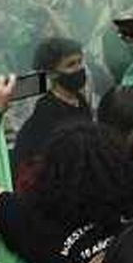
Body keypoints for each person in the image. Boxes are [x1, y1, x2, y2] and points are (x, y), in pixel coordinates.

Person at [13, 37, 92, 175]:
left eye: (80, 62)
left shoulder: (80, 99)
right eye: (71, 64)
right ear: (52, 73)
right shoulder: (46, 108)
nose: (79, 68)